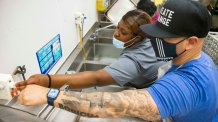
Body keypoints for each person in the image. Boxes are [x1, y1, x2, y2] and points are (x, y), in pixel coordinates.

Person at [18, 0, 218, 122]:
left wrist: (50, 94)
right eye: (155, 33)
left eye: (164, 37)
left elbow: (116, 104)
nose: (155, 41)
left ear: (191, 42)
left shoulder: (184, 84)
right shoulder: (200, 59)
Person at [16, 10, 163, 91]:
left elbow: (96, 78)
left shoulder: (134, 62)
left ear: (138, 38)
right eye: (118, 26)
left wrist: (47, 80)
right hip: (148, 80)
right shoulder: (151, 37)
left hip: (139, 89)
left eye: (123, 32)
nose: (116, 33)